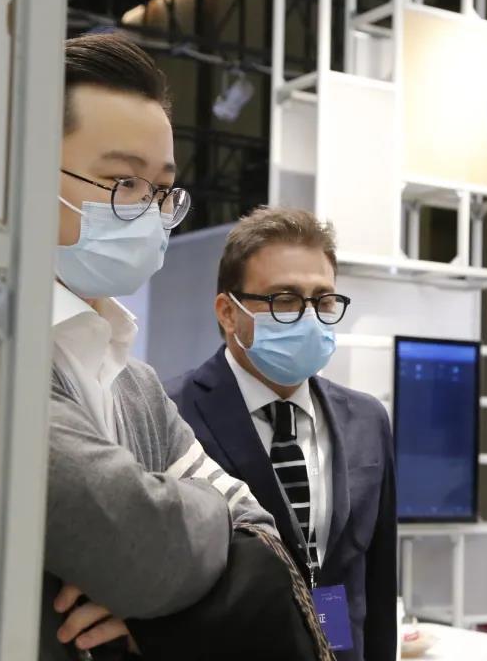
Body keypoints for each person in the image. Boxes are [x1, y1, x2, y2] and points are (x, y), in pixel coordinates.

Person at [0, 33, 280, 661]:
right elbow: (142, 555)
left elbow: (261, 534)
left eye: (161, 190)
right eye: (122, 182)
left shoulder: (131, 380)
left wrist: (165, 589)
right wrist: (205, 520)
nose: (149, 210)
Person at [166, 207, 398, 661]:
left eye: (323, 300)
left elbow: (378, 581)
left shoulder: (367, 421)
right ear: (228, 312)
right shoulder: (171, 412)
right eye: (285, 300)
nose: (309, 318)